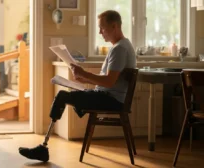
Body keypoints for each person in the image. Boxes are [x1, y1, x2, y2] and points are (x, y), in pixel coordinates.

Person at [18, 10, 137, 162]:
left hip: (111, 100)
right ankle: (44, 147)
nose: (100, 32)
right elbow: (109, 81)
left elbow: (109, 82)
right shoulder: (122, 46)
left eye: (102, 28)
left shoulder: (120, 49)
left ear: (114, 26)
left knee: (62, 96)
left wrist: (84, 73)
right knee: (69, 95)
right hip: (108, 96)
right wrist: (83, 78)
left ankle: (43, 148)